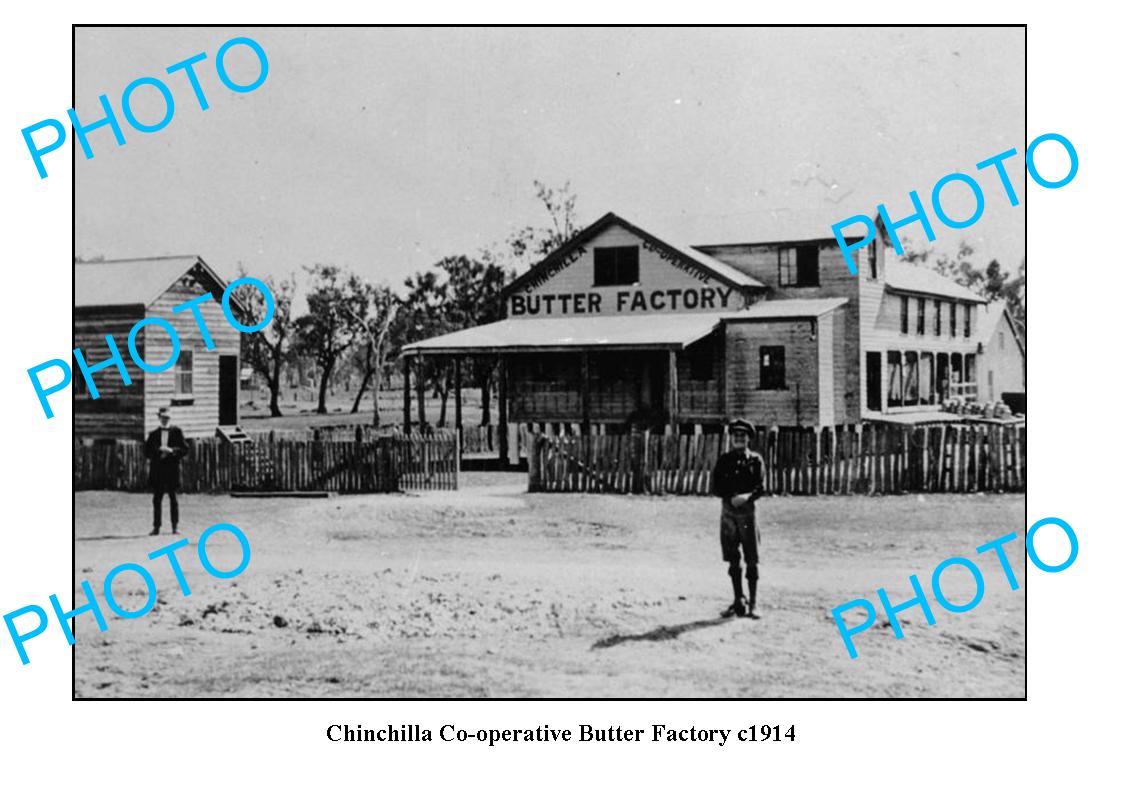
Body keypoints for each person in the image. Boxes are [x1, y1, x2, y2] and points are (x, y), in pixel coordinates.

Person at [711, 418, 766, 619]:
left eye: (743, 435)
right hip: (728, 513)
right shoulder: (724, 461)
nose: (739, 438)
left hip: (747, 514)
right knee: (733, 558)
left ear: (748, 438)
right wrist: (730, 496)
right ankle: (738, 600)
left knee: (751, 557)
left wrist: (746, 497)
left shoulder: (756, 460)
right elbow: (716, 487)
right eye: (736, 435)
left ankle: (753, 603)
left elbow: (761, 488)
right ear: (731, 438)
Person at [144, 406, 188, 536]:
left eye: (167, 418)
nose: (165, 420)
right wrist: (158, 451)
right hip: (158, 471)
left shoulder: (177, 432)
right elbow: (146, 452)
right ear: (159, 418)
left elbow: (185, 449)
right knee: (157, 499)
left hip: (172, 470)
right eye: (163, 418)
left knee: (173, 498)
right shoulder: (153, 434)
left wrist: (172, 451)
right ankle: (156, 527)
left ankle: (175, 527)